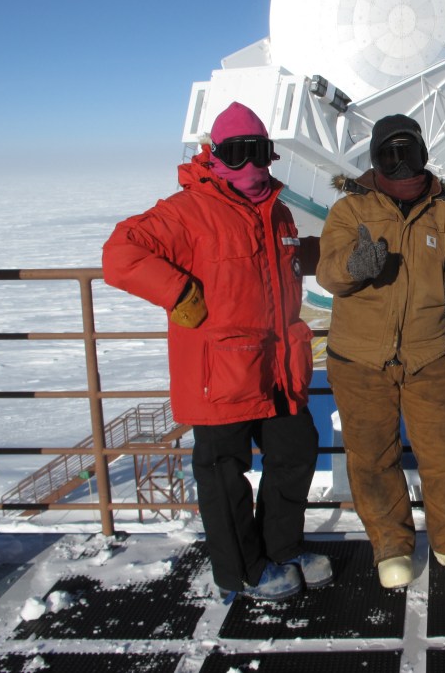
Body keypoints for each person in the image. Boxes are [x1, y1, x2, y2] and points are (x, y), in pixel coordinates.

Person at [102, 101, 331, 602]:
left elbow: (287, 260)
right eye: (237, 152)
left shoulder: (277, 209)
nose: (251, 164)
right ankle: (245, 571)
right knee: (224, 475)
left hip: (276, 367)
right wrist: (177, 292)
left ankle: (282, 548)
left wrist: (332, 254)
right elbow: (120, 254)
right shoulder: (187, 211)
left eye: (260, 152)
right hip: (220, 373)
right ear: (216, 155)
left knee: (294, 452)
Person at [317, 114, 445, 589]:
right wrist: (355, 265)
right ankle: (391, 548)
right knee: (373, 457)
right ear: (374, 158)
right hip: (358, 358)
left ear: (422, 153)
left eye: (406, 151)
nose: (399, 161)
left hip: (426, 354)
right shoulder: (350, 211)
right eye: (388, 152)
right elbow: (329, 272)